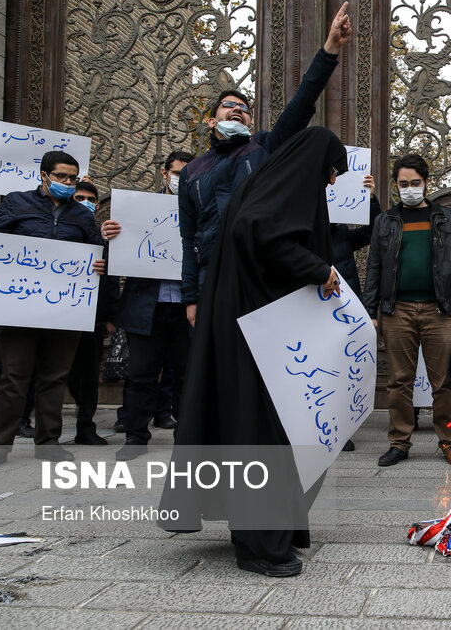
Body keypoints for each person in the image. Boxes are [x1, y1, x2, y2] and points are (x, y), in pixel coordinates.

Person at [162, 126, 347, 577]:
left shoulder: (265, 182)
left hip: (251, 324)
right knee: (261, 431)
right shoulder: (282, 189)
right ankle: (260, 544)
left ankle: (259, 529)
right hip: (258, 331)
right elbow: (266, 236)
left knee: (253, 426)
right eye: (329, 173)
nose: (330, 183)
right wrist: (317, 268)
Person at [179, 2, 351, 328]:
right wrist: (192, 297)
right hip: (213, 278)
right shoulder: (192, 172)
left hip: (258, 277)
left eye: (243, 108)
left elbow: (301, 104)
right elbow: (189, 239)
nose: (237, 110)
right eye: (228, 105)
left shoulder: (264, 148)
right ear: (211, 119)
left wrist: (329, 49)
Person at [0, 151, 105, 470]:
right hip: (19, 307)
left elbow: (96, 250)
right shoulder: (15, 202)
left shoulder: (81, 215)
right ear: (44, 176)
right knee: (14, 375)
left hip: (65, 309)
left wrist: (99, 263)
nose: (68, 183)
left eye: (73, 178)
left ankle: (49, 442)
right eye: (62, 177)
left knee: (54, 376)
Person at [362, 154, 451, 467]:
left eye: (415, 183)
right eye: (403, 183)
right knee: (399, 381)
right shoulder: (386, 221)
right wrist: (371, 311)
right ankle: (399, 442)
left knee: (443, 383)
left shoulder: (444, 219)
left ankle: (449, 441)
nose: (409, 188)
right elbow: (374, 268)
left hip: (439, 312)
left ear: (426, 183)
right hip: (397, 312)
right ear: (396, 185)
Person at [103, 150, 195, 460]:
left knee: (187, 375)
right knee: (141, 374)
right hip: (146, 306)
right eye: (176, 172)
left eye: (187, 173)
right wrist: (108, 235)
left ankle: (187, 437)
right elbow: (116, 251)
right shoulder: (136, 211)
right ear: (163, 172)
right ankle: (135, 436)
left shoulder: (201, 210)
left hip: (187, 308)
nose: (180, 178)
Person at [330, 173, 382, 452]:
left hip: (344, 306)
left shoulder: (340, 232)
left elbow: (375, 229)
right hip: (310, 307)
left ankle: (340, 429)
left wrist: (370, 199)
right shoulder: (300, 232)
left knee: (342, 368)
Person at [66, 179, 119, 445]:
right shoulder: (56, 228)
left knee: (88, 373)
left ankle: (85, 426)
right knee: (59, 372)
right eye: (78, 198)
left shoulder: (101, 236)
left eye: (89, 199)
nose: (84, 203)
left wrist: (110, 316)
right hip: (58, 313)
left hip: (92, 314)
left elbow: (110, 276)